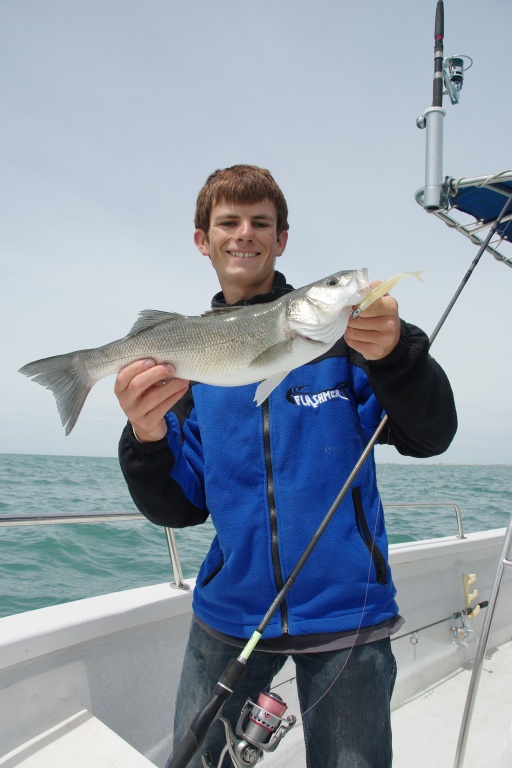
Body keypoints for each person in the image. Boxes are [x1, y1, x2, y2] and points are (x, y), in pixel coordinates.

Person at [115, 165, 457, 768]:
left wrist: (400, 353)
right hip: (229, 613)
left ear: (282, 239)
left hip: (348, 614)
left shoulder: (350, 343)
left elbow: (429, 435)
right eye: (228, 222)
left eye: (261, 223)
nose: (245, 234)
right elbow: (180, 506)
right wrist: (146, 434)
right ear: (203, 239)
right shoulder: (192, 364)